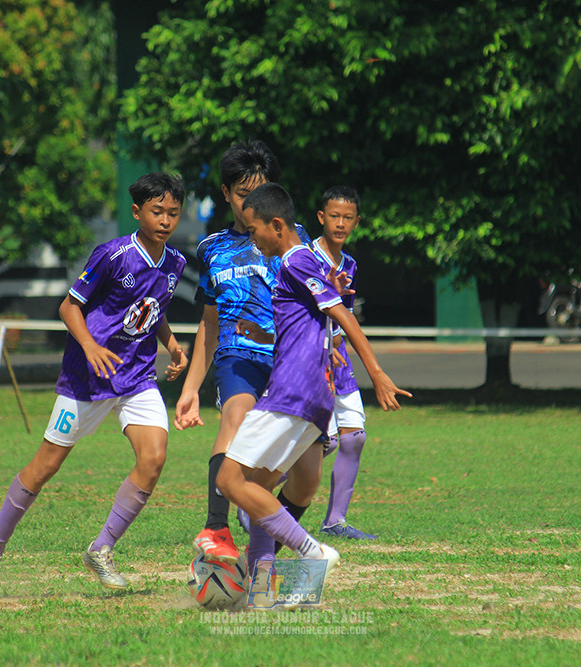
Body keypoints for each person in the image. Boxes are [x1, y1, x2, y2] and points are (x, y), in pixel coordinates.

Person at [0, 173, 189, 600]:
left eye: (173, 213)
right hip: (88, 378)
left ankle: (102, 548)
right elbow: (69, 306)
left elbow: (152, 309)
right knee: (44, 468)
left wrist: (172, 344)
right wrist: (89, 346)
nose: (165, 220)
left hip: (137, 376)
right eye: (157, 211)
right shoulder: (113, 255)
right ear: (137, 212)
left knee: (154, 458)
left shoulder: (176, 263)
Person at [214, 183, 411, 586]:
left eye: (253, 232)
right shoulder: (305, 263)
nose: (252, 240)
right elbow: (313, 320)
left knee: (228, 480)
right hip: (314, 392)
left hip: (291, 390)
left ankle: (312, 552)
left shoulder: (296, 259)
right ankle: (259, 576)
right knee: (266, 488)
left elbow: (341, 314)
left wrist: (376, 372)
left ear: (277, 224)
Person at [174, 140, 313, 565]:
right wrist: (191, 388)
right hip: (239, 358)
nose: (249, 201)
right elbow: (209, 324)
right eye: (240, 192)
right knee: (233, 419)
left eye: (259, 190)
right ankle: (216, 528)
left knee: (307, 479)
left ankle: (264, 540)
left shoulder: (297, 239)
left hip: (289, 363)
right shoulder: (212, 249)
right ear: (225, 193)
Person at [309, 186, 377, 540]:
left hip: (338, 359)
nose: (340, 223)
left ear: (356, 222)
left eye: (347, 218)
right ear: (321, 217)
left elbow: (344, 315)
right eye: (333, 216)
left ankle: (335, 521)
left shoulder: (348, 264)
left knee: (354, 438)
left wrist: (338, 344)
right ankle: (253, 493)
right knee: (325, 441)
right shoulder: (304, 257)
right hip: (309, 360)